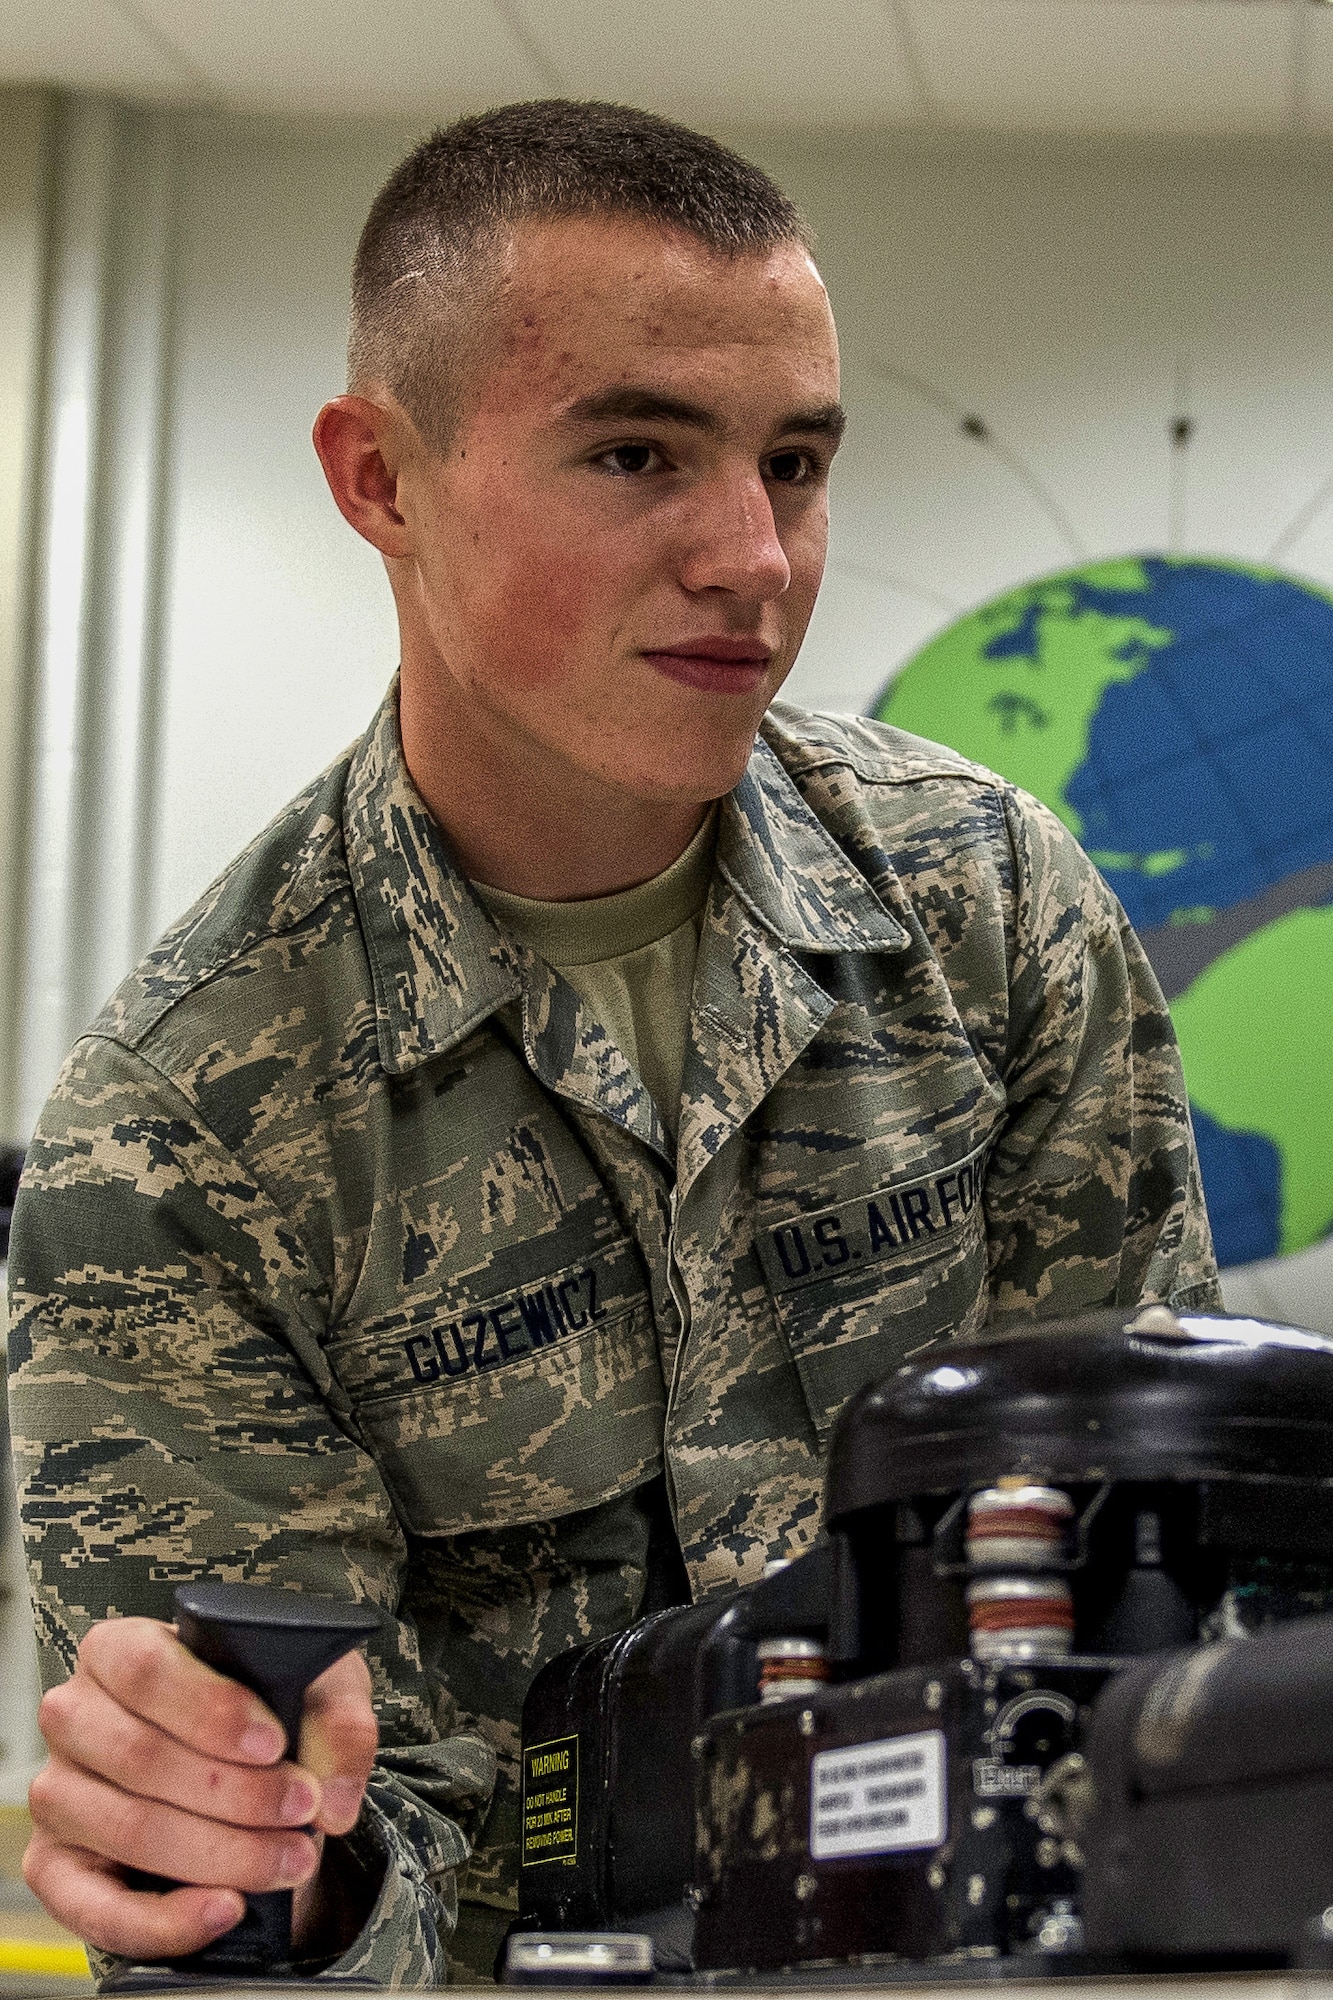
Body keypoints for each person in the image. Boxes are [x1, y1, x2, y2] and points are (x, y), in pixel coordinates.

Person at [7, 99, 1220, 1987]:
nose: (752, 557)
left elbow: (1150, 1569)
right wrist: (268, 1868)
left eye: (796, 462)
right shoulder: (186, 1140)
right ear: (379, 479)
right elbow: (298, 1864)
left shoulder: (983, 910)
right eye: (638, 450)